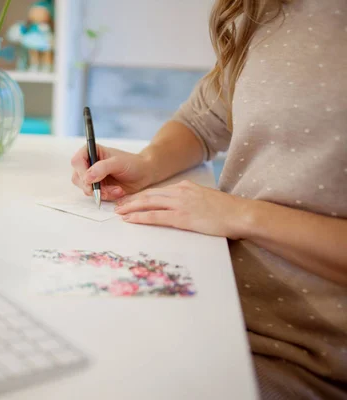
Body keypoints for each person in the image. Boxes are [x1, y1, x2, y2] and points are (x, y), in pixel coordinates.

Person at [71, 1, 346, 399]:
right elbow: (202, 119)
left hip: (301, 356)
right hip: (209, 307)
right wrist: (147, 163)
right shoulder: (266, 9)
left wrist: (240, 215)